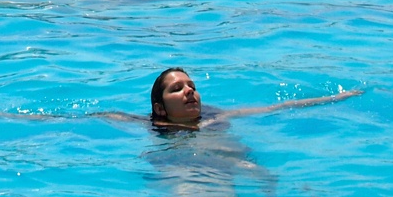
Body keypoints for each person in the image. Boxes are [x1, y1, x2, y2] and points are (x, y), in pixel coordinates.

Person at [141, 68, 362, 130]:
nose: (189, 91)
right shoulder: (150, 127)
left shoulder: (215, 118)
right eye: (177, 88)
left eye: (192, 86)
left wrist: (335, 98)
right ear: (160, 109)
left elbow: (277, 107)